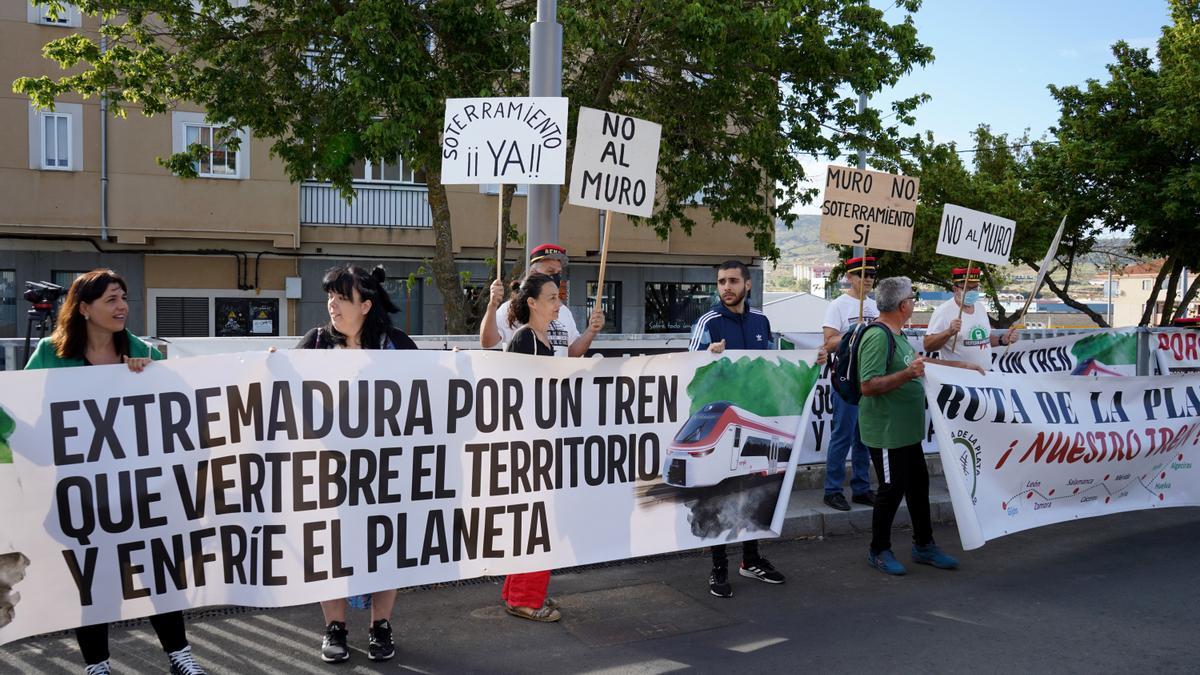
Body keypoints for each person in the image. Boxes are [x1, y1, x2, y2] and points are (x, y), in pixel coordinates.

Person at [25, 269, 205, 675]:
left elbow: (177, 403)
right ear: (84, 308)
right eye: (110, 299)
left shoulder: (139, 348)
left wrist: (151, 373)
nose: (122, 306)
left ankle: (180, 657)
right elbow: (27, 413)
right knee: (95, 582)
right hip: (82, 491)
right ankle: (97, 665)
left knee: (160, 575)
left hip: (139, 491)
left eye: (123, 297)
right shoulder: (51, 353)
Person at [296, 264, 416, 663]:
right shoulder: (314, 343)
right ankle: (336, 627)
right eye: (329, 295)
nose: (331, 304)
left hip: (386, 470)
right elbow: (288, 396)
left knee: (386, 546)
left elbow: (428, 396)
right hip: (330, 471)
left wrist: (450, 368)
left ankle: (381, 625)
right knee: (332, 549)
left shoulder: (396, 345)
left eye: (341, 296)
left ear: (365, 305)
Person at [858, 277, 984, 576]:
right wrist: (906, 374)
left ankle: (924, 545)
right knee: (891, 490)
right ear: (903, 305)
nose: (914, 303)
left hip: (906, 431)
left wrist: (963, 367)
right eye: (912, 299)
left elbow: (921, 363)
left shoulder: (897, 334)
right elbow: (868, 385)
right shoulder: (878, 336)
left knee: (918, 486)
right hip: (887, 431)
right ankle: (878, 549)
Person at [688, 260, 786, 598]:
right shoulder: (708, 322)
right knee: (721, 493)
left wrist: (811, 363)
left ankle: (751, 559)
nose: (726, 287)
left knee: (754, 490)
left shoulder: (761, 321)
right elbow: (691, 370)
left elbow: (772, 366)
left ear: (747, 284)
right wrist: (707, 357)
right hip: (722, 424)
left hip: (755, 422)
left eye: (732, 281)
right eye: (720, 282)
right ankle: (718, 569)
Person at [501, 274, 566, 621]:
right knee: (537, 524)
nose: (558, 304)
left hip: (536, 444)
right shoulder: (527, 338)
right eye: (552, 297)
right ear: (533, 303)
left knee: (530, 523)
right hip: (528, 446)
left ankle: (518, 593)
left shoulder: (541, 337)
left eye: (558, 297)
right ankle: (526, 598)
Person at [820, 256, 879, 512]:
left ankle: (861, 488)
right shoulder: (838, 306)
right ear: (849, 277)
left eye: (870, 275)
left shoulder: (876, 307)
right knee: (842, 436)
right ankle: (832, 490)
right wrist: (854, 333)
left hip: (869, 377)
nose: (866, 279)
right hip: (846, 379)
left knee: (864, 437)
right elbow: (829, 342)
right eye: (861, 275)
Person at [479, 243, 604, 356]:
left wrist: (591, 330)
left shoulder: (563, 311)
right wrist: (492, 305)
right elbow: (487, 342)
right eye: (550, 271)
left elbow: (570, 352)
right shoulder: (510, 308)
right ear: (533, 272)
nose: (555, 277)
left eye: (558, 273)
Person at [924, 267, 1020, 370]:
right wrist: (948, 332)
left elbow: (982, 340)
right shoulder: (943, 311)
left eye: (975, 288)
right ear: (955, 289)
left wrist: (1002, 340)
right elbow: (928, 345)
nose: (972, 292)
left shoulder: (980, 307)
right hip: (958, 377)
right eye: (967, 288)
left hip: (984, 374)